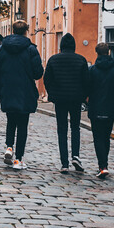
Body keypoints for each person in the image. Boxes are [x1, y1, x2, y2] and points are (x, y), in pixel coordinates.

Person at [0, 20, 43, 169]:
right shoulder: (31, 49)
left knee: (11, 121)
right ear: (26, 31)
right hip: (25, 91)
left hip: (7, 89)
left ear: (12, 30)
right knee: (22, 126)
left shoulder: (2, 49)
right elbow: (38, 73)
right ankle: (18, 159)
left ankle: (9, 147)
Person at [43, 33, 89, 173]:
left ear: (61, 46)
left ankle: (64, 163)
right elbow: (86, 80)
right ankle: (75, 155)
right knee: (75, 128)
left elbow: (47, 79)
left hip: (60, 99)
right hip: (75, 99)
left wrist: (52, 93)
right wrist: (83, 95)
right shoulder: (81, 60)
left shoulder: (53, 60)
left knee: (62, 130)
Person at [86, 43, 114, 178]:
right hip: (110, 108)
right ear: (108, 52)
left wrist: (88, 99)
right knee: (106, 137)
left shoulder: (91, 70)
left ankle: (102, 166)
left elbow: (84, 87)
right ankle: (104, 164)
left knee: (98, 137)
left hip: (95, 108)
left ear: (96, 52)